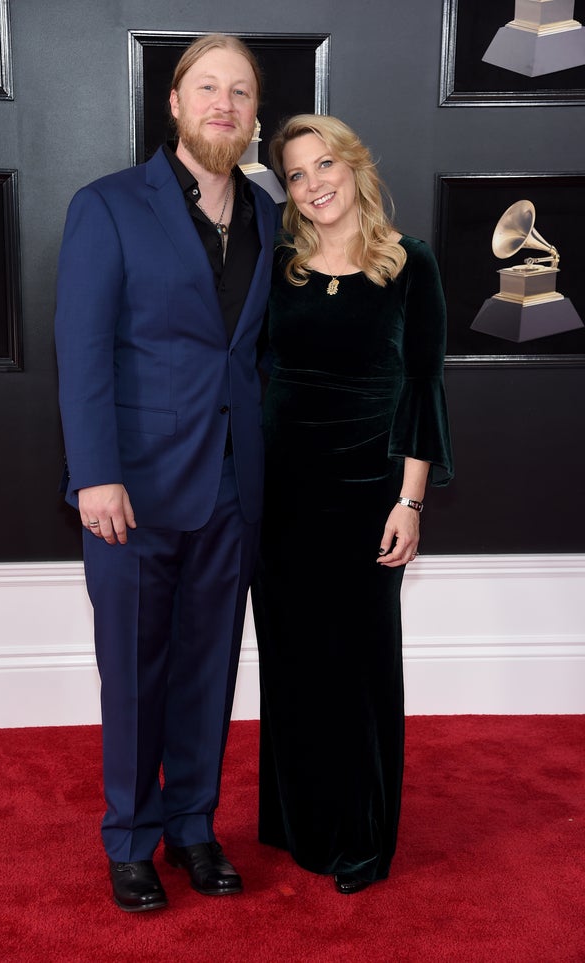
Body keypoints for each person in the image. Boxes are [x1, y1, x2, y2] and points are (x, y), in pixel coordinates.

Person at [54, 34, 279, 913]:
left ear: (254, 115)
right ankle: (132, 838)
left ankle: (192, 825)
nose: (225, 104)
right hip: (133, 488)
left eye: (242, 92)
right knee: (135, 670)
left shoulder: (269, 215)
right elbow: (82, 353)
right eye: (208, 88)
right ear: (175, 104)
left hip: (234, 484)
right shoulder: (107, 206)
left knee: (208, 666)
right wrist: (95, 473)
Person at [251, 114, 453, 895]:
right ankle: (298, 819)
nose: (313, 185)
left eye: (323, 164)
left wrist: (411, 501)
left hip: (369, 491)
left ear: (354, 167)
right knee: (295, 659)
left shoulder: (411, 265)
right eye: (296, 175)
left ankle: (363, 834)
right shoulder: (280, 266)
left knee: (361, 667)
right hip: (281, 493)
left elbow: (425, 387)